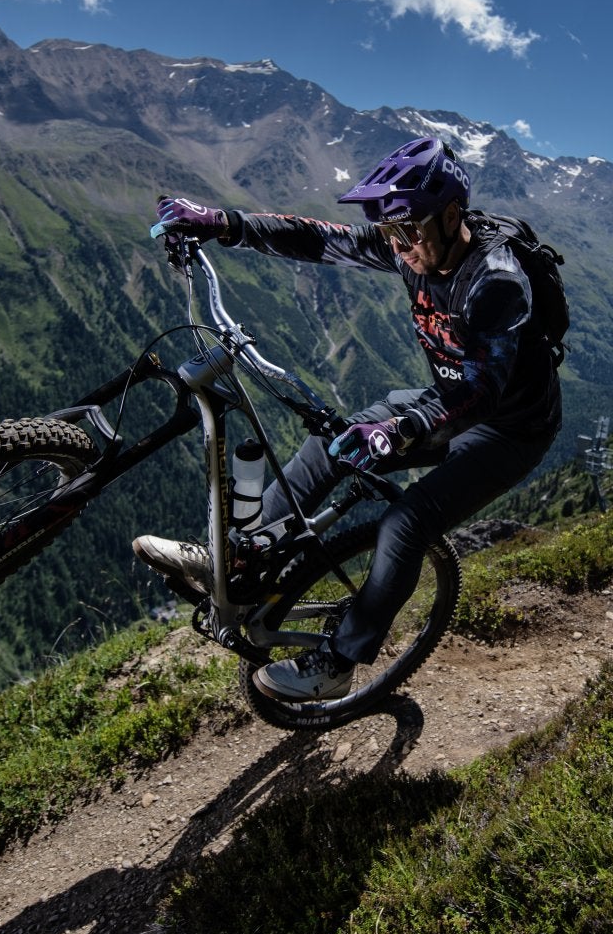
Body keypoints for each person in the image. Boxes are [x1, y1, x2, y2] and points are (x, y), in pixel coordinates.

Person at [137, 136, 565, 701]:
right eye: (391, 234)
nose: (400, 247)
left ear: (452, 214)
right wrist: (222, 222)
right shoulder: (410, 240)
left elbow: (482, 392)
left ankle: (339, 661)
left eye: (408, 232)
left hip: (510, 428)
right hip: (444, 399)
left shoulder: (496, 282)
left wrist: (400, 428)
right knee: (329, 447)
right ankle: (234, 560)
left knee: (404, 525)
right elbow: (318, 239)